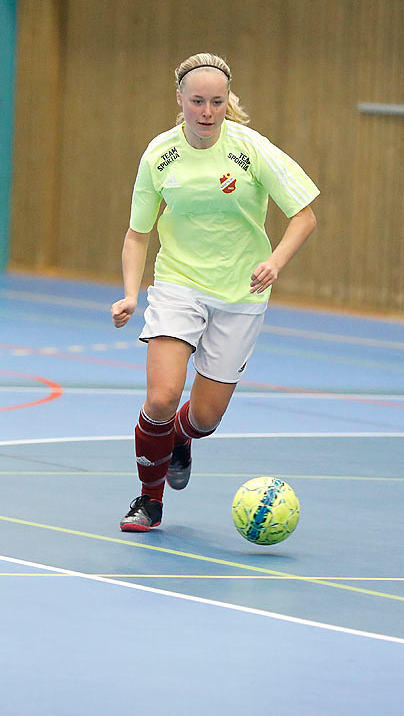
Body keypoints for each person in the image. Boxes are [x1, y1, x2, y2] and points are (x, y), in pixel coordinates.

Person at [111, 53, 318, 532]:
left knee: (203, 417)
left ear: (229, 103)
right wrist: (129, 294)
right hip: (179, 284)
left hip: (240, 294)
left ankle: (180, 440)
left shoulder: (251, 149)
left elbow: (304, 214)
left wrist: (274, 261)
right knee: (162, 397)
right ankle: (149, 499)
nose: (207, 111)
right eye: (197, 101)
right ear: (179, 100)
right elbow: (138, 234)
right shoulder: (159, 154)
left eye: (217, 102)